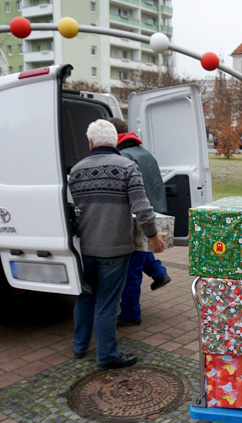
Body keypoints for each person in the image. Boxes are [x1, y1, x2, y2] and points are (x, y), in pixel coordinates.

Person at [68, 119, 164, 369]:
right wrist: (153, 236)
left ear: (90, 142)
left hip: (83, 251)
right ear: (115, 141)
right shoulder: (127, 167)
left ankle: (79, 347)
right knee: (107, 303)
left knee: (85, 298)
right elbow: (142, 208)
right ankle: (107, 355)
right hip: (116, 250)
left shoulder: (76, 171)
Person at [108, 117, 171, 328]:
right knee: (141, 252)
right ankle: (159, 274)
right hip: (153, 214)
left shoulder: (123, 156)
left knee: (130, 270)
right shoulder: (144, 152)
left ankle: (130, 313)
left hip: (137, 218)